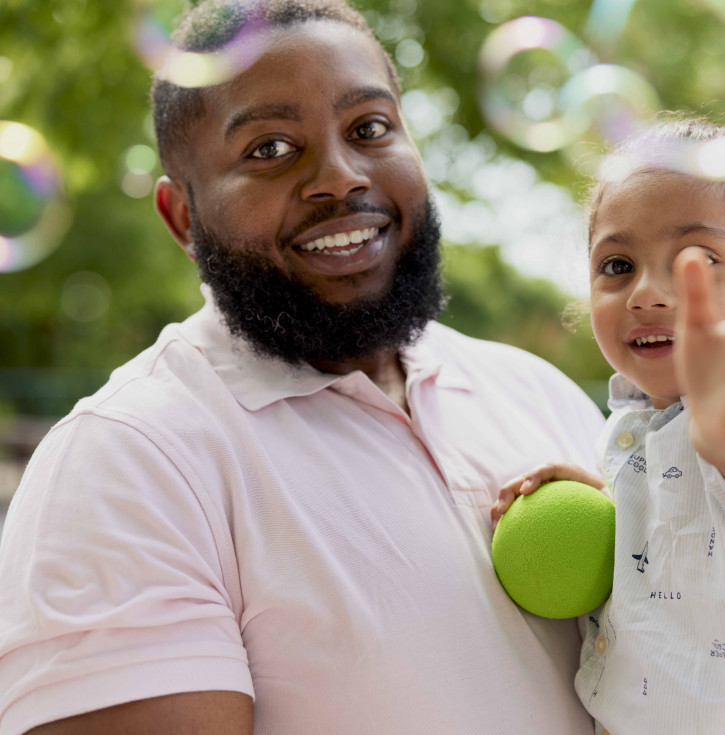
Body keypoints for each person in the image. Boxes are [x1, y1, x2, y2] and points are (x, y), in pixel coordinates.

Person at [0, 1, 606, 733]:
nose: (340, 177)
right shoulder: (129, 457)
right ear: (182, 218)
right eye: (269, 149)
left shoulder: (536, 390)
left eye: (370, 128)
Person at [493, 116, 725, 734]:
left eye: (695, 260)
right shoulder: (631, 425)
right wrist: (606, 499)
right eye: (616, 266)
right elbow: (685, 539)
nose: (647, 292)